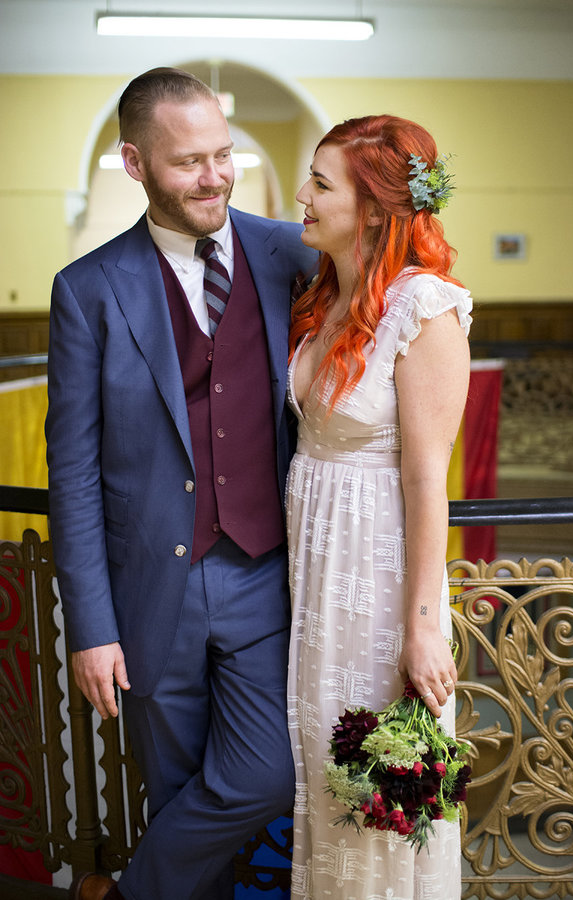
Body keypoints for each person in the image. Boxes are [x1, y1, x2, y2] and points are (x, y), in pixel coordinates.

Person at [45, 67, 318, 900]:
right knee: (174, 792)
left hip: (263, 573)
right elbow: (74, 473)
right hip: (151, 587)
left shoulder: (292, 255)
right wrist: (90, 629)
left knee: (268, 777)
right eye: (188, 162)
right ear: (135, 163)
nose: (214, 177)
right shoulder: (87, 290)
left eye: (223, 153)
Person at [286, 115, 472, 899]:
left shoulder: (423, 306)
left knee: (377, 792)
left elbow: (429, 479)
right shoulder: (326, 293)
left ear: (372, 207)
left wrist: (422, 625)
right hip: (315, 578)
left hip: (379, 577)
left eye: (320, 184)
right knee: (325, 785)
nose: (301, 196)